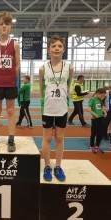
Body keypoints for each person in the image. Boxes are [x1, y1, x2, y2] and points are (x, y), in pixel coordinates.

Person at [39, 35, 73, 182]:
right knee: (47, 137)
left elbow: (68, 85)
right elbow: (41, 90)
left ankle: (58, 166)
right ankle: (47, 166)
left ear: (63, 49)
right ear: (48, 50)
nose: (56, 48)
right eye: (53, 46)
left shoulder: (69, 67)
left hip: (62, 109)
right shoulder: (43, 68)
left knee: (59, 138)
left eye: (59, 46)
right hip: (47, 108)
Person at [0, 11, 20, 152]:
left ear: (11, 27)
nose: (4, 27)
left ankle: (11, 140)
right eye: (1, 24)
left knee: (11, 111)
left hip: (11, 83)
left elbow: (18, 64)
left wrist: (12, 77)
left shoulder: (15, 44)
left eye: (7, 24)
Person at [86, 88, 107, 153]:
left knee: (100, 133)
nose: (103, 97)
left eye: (104, 96)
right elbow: (88, 108)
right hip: (95, 119)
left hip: (101, 118)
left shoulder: (99, 99)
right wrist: (94, 114)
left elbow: (101, 107)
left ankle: (98, 145)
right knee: (94, 133)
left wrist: (105, 112)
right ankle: (92, 146)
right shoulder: (92, 99)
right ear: (98, 93)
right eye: (102, 95)